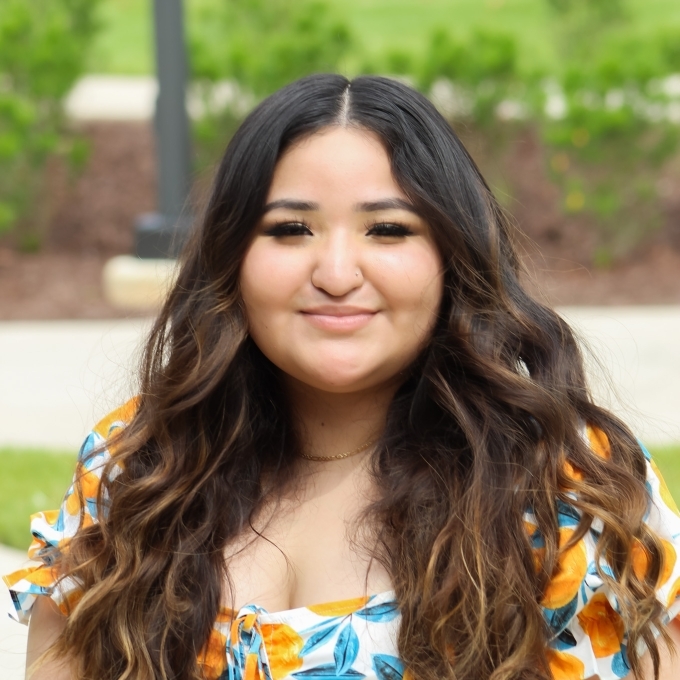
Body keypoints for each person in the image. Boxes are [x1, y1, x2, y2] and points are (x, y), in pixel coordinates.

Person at [4, 74, 680, 680]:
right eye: (291, 228)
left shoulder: (563, 487)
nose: (334, 274)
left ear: (453, 257)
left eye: (387, 230)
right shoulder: (137, 472)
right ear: (231, 257)